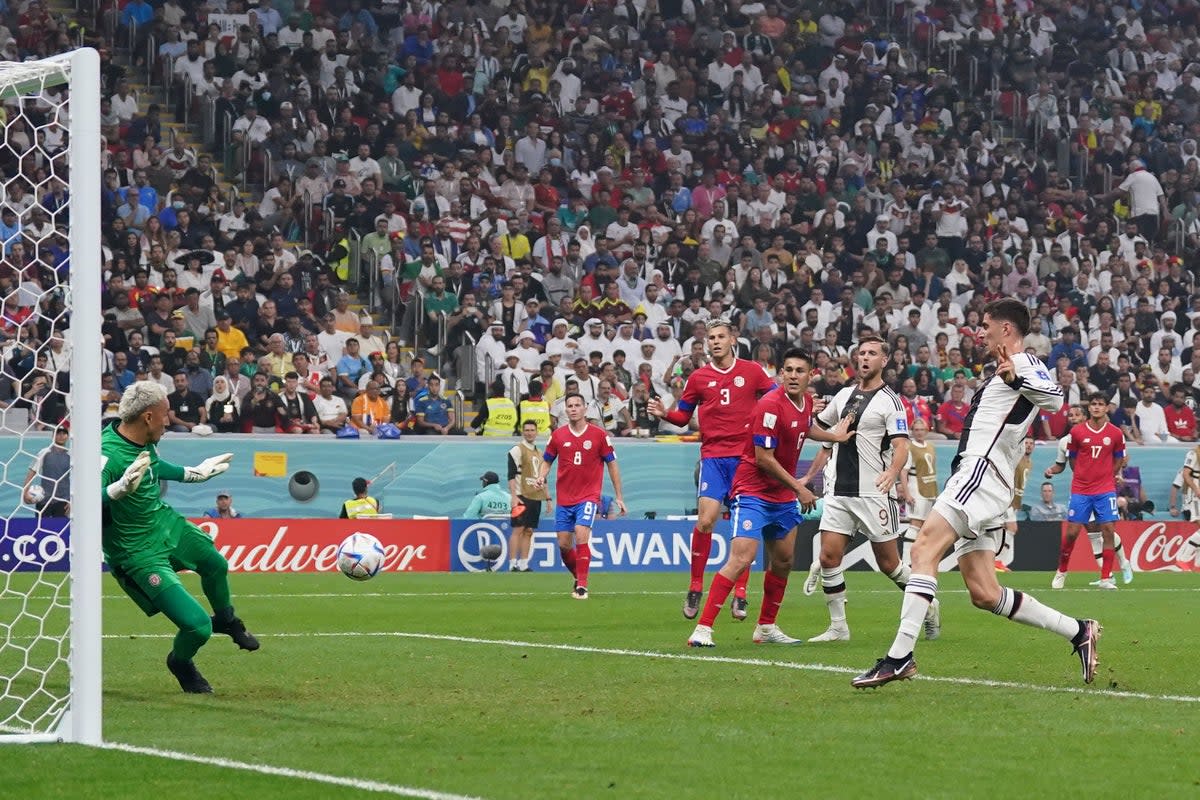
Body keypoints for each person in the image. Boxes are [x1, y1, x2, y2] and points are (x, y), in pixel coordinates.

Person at [853, 299, 1100, 689]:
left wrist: (1016, 378)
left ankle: (899, 657)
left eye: (986, 325)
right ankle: (1078, 630)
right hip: (981, 478)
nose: (980, 332)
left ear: (1006, 329)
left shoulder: (1025, 362)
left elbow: (1055, 398)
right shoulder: (1008, 367)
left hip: (980, 475)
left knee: (921, 550)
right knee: (985, 593)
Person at [686, 349, 853, 647]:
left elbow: (806, 427)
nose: (792, 375)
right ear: (780, 374)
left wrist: (834, 437)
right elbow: (764, 458)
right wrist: (800, 488)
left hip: (782, 496)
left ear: (810, 375)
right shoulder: (769, 405)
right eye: (787, 370)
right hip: (753, 492)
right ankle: (703, 628)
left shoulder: (806, 402)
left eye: (799, 370)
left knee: (784, 561)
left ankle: (766, 627)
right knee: (741, 558)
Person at [101, 381, 256, 694]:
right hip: (136, 552)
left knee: (215, 564)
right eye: (165, 414)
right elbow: (79, 501)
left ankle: (227, 619)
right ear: (147, 417)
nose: (169, 420)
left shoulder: (144, 438)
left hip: (164, 523)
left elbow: (155, 468)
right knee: (197, 626)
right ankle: (180, 661)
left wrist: (194, 473)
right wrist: (115, 490)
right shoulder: (106, 454)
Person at [801, 336, 939, 643]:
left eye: (872, 353)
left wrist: (892, 471)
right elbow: (821, 434)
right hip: (838, 492)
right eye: (861, 353)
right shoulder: (843, 395)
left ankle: (929, 604)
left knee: (889, 564)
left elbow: (902, 445)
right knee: (828, 557)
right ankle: (839, 627)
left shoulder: (891, 401)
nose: (864, 357)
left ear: (884, 361)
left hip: (874, 492)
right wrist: (809, 475)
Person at [647, 318, 777, 620]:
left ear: (733, 339)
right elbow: (682, 417)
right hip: (714, 458)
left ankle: (741, 592)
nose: (715, 341)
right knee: (706, 521)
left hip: (746, 459)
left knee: (741, 528)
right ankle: (695, 586)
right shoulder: (699, 378)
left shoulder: (752, 371)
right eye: (710, 337)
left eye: (720, 336)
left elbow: (775, 398)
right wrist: (664, 412)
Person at [536, 394, 627, 599]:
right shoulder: (558, 436)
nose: (574, 409)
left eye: (578, 405)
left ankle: (582, 587)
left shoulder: (599, 435)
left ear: (585, 408)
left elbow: (612, 465)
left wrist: (619, 496)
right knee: (564, 544)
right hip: (565, 498)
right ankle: (579, 576)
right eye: (570, 406)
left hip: (588, 496)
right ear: (565, 410)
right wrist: (541, 476)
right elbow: (547, 460)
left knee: (581, 531)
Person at [1051, 394, 1132, 590]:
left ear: (1106, 408)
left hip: (1105, 490)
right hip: (1081, 489)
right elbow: (1072, 460)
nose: (1096, 407)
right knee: (1072, 533)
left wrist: (1107, 476)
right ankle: (1061, 572)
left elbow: (1120, 459)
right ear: (1090, 408)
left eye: (1100, 404)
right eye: (1093, 404)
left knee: (1108, 531)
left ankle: (1105, 578)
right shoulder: (1077, 432)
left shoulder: (1115, 433)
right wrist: (1083, 476)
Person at [508, 420, 551, 572]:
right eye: (526, 430)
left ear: (537, 432)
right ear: (522, 432)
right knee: (518, 529)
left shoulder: (540, 454)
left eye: (532, 430)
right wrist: (513, 496)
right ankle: (512, 563)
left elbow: (543, 478)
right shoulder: (517, 450)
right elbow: (511, 475)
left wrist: (548, 498)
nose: (529, 432)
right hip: (521, 495)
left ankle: (524, 564)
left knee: (529, 531)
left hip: (536, 497)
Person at [902, 417, 938, 568]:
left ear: (927, 430)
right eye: (916, 430)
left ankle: (918, 559)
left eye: (922, 429)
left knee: (924, 526)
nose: (919, 433)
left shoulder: (930, 446)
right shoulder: (909, 447)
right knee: (915, 524)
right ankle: (906, 561)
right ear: (912, 431)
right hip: (916, 487)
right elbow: (903, 472)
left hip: (930, 488)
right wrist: (907, 493)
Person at [23, 424, 70, 516]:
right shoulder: (44, 452)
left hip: (63, 501)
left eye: (64, 433)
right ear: (53, 436)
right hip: (44, 500)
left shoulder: (71, 455)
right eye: (58, 433)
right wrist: (25, 493)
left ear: (67, 436)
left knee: (60, 529)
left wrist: (72, 500)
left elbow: (76, 480)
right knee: (42, 528)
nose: (61, 436)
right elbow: (32, 472)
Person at [1175, 445, 1200, 571]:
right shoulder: (1193, 453)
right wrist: (1196, 489)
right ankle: (1183, 559)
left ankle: (1197, 564)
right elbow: (1186, 474)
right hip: (1194, 495)